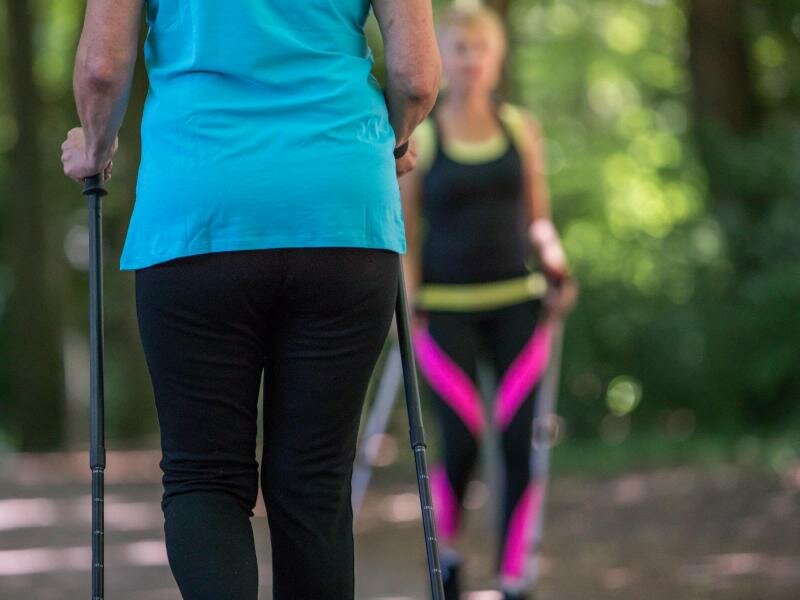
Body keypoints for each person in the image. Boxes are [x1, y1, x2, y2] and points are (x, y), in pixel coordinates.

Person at [61, 1, 440, 598]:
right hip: (342, 208)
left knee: (204, 477)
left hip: (198, 206)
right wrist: (388, 142)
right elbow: (417, 76)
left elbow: (103, 69)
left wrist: (95, 146)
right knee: (314, 483)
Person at [400, 6, 577, 600]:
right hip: (442, 309)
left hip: (517, 307)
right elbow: (407, 234)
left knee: (519, 439)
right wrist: (405, 298)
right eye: (458, 48)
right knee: (465, 436)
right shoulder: (422, 137)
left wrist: (555, 264)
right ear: (442, 57)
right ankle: (447, 560)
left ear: (496, 56)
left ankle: (513, 579)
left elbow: (539, 220)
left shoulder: (520, 128)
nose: (470, 59)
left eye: (480, 48)